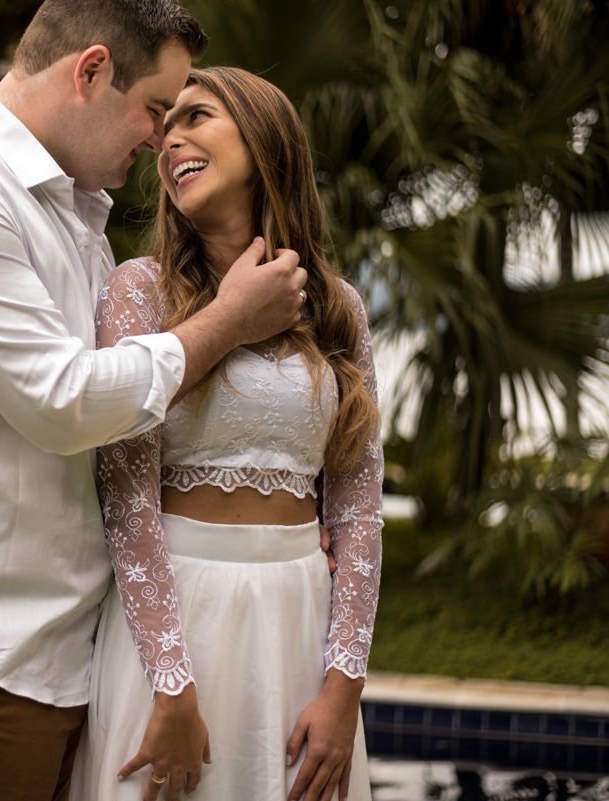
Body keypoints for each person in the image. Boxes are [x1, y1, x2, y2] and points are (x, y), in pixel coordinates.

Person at [0, 4, 313, 801]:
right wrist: (231, 320)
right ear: (89, 71)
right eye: (156, 108)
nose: (161, 137)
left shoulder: (70, 214)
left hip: (44, 654)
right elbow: (63, 403)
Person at [76, 67, 384, 801]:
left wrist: (343, 692)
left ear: (264, 140)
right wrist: (172, 685)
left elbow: (359, 512)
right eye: (165, 124)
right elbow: (128, 503)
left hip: (299, 628)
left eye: (197, 116)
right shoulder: (137, 292)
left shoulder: (339, 309)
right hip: (174, 627)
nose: (168, 138)